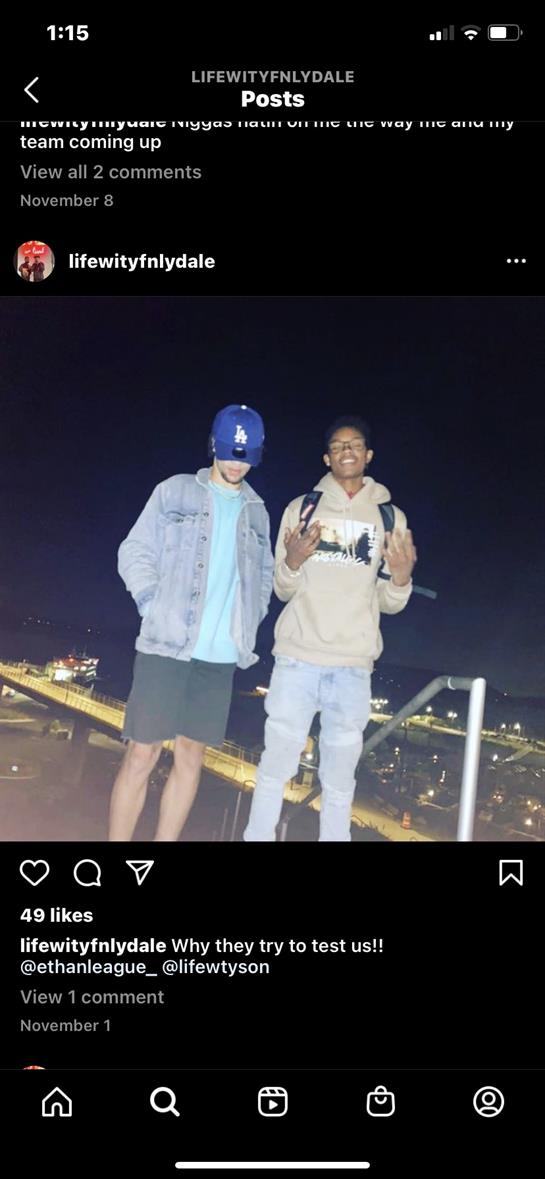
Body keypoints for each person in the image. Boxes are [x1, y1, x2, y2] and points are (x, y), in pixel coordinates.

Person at [244, 414, 417, 842]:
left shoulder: (390, 517)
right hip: (297, 659)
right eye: (338, 446)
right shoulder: (300, 509)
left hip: (353, 667)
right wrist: (293, 562)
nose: (346, 451)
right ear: (327, 456)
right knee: (273, 770)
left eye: (354, 444)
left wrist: (400, 577)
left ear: (368, 454)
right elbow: (282, 589)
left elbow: (391, 603)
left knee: (340, 784)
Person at [110, 404, 274, 842]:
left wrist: (251, 621)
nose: (237, 462)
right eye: (229, 451)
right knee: (142, 754)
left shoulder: (258, 512)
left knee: (190, 758)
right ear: (213, 447)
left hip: (218, 658)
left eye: (247, 455)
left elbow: (262, 579)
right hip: (166, 647)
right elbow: (134, 550)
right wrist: (151, 602)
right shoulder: (174, 491)